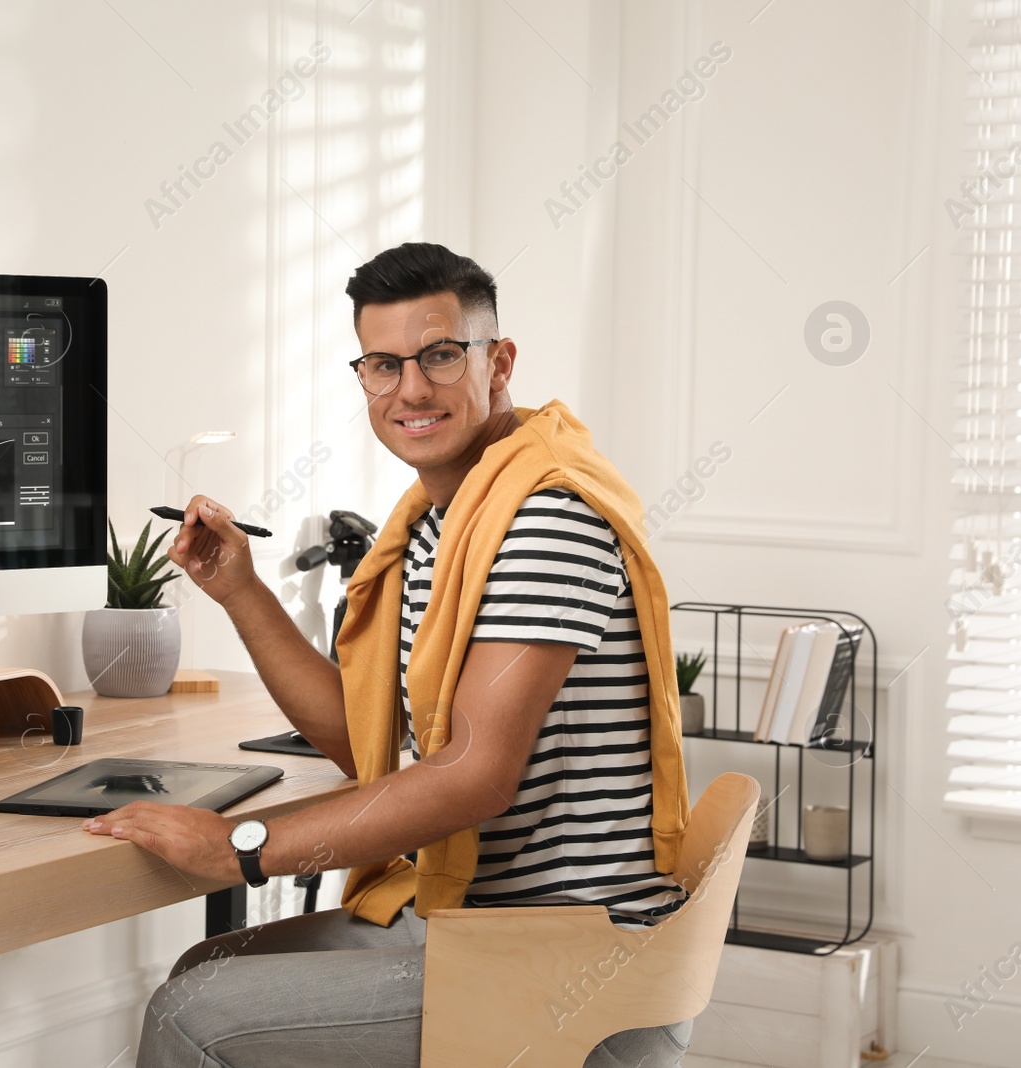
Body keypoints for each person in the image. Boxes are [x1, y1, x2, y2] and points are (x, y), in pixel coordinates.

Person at [84, 243, 692, 1068]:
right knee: (209, 970)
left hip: (568, 962)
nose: (411, 389)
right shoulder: (444, 522)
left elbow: (474, 774)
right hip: (475, 924)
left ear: (498, 361)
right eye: (382, 364)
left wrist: (241, 847)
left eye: (440, 356)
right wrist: (241, 592)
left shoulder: (545, 520)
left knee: (196, 1012)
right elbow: (364, 739)